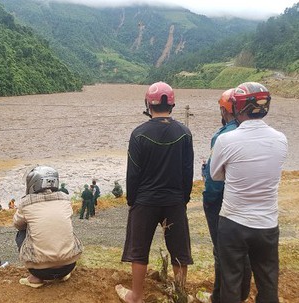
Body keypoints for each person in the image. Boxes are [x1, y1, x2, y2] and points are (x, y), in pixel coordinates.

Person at [116, 82, 194, 303]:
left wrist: (132, 200)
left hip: (145, 200)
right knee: (179, 250)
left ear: (148, 104)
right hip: (174, 200)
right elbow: (187, 171)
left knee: (139, 250)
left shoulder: (139, 134)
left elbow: (133, 173)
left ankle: (136, 295)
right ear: (172, 104)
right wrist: (183, 199)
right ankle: (180, 294)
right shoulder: (184, 133)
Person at [210, 82, 287, 303]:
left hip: (233, 222)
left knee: (231, 283)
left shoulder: (226, 140)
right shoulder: (280, 139)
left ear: (238, 107)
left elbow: (215, 175)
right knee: (268, 282)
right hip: (267, 223)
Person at [202, 89, 251, 303]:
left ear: (224, 109)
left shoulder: (222, 136)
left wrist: (208, 198)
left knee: (221, 250)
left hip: (223, 200)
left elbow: (214, 180)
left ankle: (220, 297)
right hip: (247, 200)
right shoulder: (255, 134)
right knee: (244, 250)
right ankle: (238, 294)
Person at [14, 166, 83, 288]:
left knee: (21, 232)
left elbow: (17, 224)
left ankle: (35, 278)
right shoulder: (65, 199)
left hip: (40, 271)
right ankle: (61, 275)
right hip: (69, 266)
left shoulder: (26, 203)